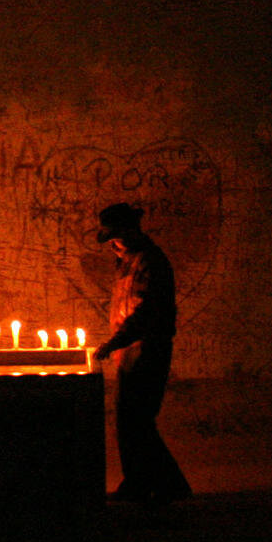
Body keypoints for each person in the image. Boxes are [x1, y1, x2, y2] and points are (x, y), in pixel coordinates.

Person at [91, 202, 191, 505]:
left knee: (138, 420)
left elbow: (146, 312)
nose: (113, 245)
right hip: (130, 351)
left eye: (117, 238)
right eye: (110, 241)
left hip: (148, 349)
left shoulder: (150, 262)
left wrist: (114, 343)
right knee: (129, 420)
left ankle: (164, 484)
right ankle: (143, 482)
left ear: (131, 232)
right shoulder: (128, 261)